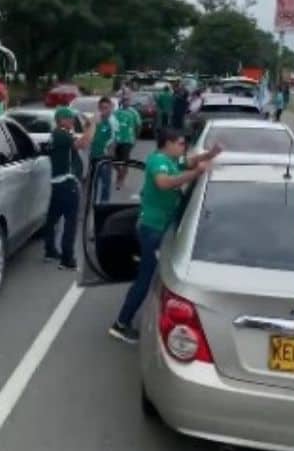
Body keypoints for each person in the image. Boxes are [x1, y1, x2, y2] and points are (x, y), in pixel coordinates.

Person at [109, 129, 221, 343]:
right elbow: (164, 183)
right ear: (167, 143)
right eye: (180, 143)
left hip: (160, 227)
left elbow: (189, 161)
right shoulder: (158, 161)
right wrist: (196, 173)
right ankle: (121, 323)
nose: (183, 147)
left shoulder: (170, 159)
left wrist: (209, 155)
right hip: (153, 228)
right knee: (145, 277)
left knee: (152, 276)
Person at [42, 107, 95, 269]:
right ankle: (67, 259)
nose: (72, 121)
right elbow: (84, 143)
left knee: (52, 219)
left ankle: (50, 251)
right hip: (66, 184)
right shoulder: (61, 135)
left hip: (57, 183)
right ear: (61, 120)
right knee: (70, 222)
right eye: (69, 118)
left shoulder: (56, 135)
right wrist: (92, 126)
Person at [88, 96, 120, 203]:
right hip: (93, 156)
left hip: (104, 157)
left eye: (106, 108)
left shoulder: (113, 122)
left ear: (110, 108)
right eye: (102, 108)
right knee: (93, 183)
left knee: (105, 184)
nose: (104, 110)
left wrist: (109, 156)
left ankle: (104, 204)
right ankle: (92, 203)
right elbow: (87, 133)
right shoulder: (95, 119)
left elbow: (114, 141)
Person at [113, 98, 141, 189]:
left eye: (128, 101)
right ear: (121, 102)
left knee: (125, 160)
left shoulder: (134, 113)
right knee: (113, 159)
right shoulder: (116, 113)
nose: (126, 103)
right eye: (124, 101)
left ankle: (121, 179)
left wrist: (135, 137)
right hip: (116, 140)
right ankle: (119, 172)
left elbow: (138, 125)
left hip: (128, 140)